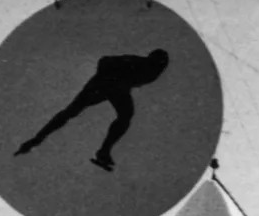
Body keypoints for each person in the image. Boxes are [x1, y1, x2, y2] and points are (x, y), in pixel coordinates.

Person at [14, 48, 170, 171]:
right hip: (101, 85)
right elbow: (105, 60)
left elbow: (132, 80)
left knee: (125, 116)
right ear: (150, 60)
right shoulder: (135, 61)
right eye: (157, 65)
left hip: (117, 89)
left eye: (161, 67)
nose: (158, 70)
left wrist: (121, 84)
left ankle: (104, 151)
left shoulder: (153, 73)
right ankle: (38, 138)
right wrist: (108, 79)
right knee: (72, 111)